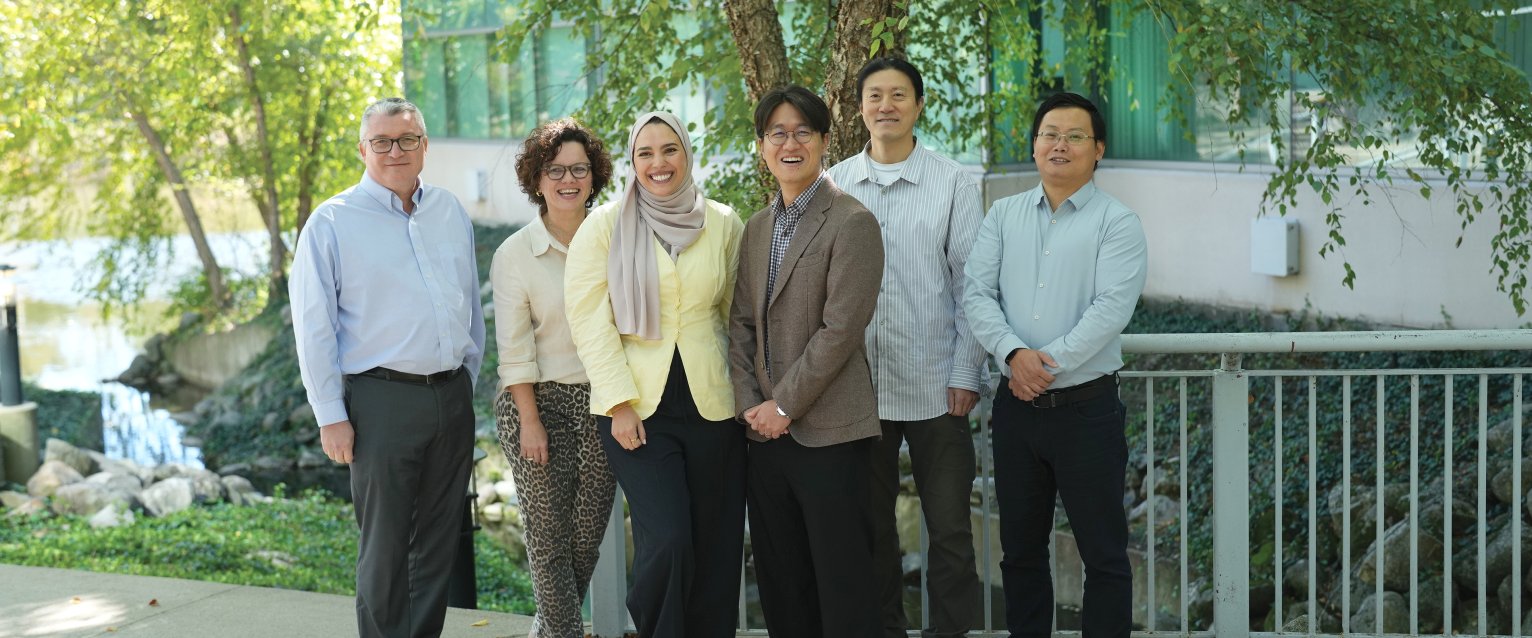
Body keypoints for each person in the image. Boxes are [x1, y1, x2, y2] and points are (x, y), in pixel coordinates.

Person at [290, 96, 485, 638]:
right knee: (385, 546)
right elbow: (314, 327)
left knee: (437, 543)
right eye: (382, 141)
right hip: (380, 401)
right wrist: (331, 414)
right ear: (363, 148)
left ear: (424, 146)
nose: (394, 151)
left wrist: (466, 378)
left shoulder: (449, 211)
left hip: (450, 396)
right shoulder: (330, 223)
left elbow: (468, 300)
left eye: (406, 140)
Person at [962, 91, 1148, 638]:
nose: (1059, 145)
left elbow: (1111, 309)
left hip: (1085, 412)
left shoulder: (1118, 222)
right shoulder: (1003, 214)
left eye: (1074, 136)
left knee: (1104, 555)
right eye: (1049, 134)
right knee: (1019, 553)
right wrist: (1013, 355)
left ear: (1098, 149)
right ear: (1035, 144)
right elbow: (976, 293)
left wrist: (1045, 364)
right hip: (1016, 414)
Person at [564, 111, 745, 637]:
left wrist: (754, 396)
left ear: (687, 153)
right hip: (637, 410)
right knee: (667, 540)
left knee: (715, 546)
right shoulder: (603, 226)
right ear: (632, 161)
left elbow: (737, 318)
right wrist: (619, 402)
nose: (658, 163)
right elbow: (589, 321)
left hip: (716, 405)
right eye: (645, 153)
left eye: (669, 150)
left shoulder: (723, 221)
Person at [826, 56, 986, 638]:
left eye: (898, 95)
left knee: (948, 530)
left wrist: (968, 370)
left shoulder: (953, 183)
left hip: (939, 385)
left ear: (919, 105)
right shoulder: (834, 184)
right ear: (860, 106)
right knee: (871, 529)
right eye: (875, 95)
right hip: (856, 389)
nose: (886, 105)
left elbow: (973, 284)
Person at [729, 85, 885, 638]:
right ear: (761, 146)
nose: (789, 143)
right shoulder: (755, 228)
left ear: (824, 140)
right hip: (765, 439)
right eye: (777, 133)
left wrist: (784, 404)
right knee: (782, 585)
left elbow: (840, 331)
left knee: (843, 587)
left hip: (830, 434)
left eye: (802, 132)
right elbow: (742, 323)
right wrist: (752, 406)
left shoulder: (852, 222)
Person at [489, 118, 617, 638]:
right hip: (536, 403)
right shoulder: (514, 255)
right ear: (536, 180)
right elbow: (514, 351)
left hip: (605, 403)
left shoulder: (616, 238)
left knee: (585, 541)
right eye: (555, 170)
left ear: (594, 176)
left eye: (579, 170)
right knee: (547, 545)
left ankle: (547, 632)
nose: (568, 180)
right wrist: (530, 422)